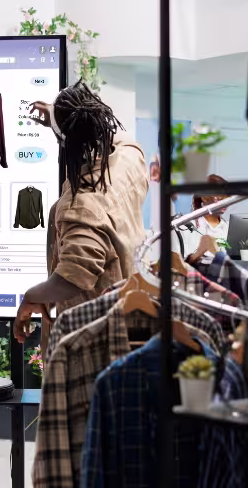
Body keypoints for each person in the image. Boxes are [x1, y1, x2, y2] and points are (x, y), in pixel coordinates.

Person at [13, 82, 148, 344]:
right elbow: (120, 138)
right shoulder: (130, 158)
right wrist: (56, 117)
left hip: (92, 340)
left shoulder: (83, 205)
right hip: (128, 317)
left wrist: (31, 296)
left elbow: (73, 279)